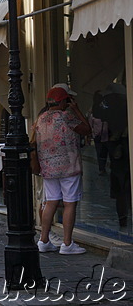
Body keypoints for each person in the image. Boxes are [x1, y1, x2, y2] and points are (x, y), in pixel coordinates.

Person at [34, 85, 91, 255]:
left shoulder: (41, 118)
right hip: (69, 167)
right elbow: (87, 130)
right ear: (64, 101)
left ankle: (43, 240)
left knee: (50, 202)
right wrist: (77, 110)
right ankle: (67, 244)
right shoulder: (67, 116)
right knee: (69, 203)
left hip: (48, 167)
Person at [99, 82, 130, 227]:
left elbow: (99, 114)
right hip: (120, 144)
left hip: (117, 144)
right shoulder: (123, 103)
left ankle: (123, 217)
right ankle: (123, 216)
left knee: (120, 184)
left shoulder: (108, 103)